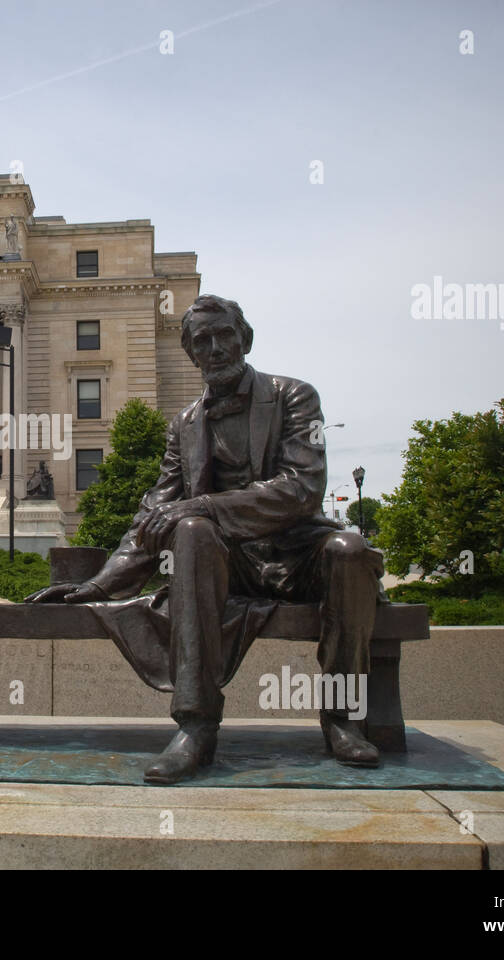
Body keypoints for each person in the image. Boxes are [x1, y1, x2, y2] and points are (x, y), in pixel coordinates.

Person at [27, 294, 385, 783]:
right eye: (202, 341)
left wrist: (203, 504)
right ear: (190, 353)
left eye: (224, 336)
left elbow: (302, 489)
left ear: (245, 339)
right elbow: (154, 511)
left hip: (298, 553)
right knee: (191, 532)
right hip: (224, 564)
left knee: (351, 551)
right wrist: (99, 584)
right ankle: (196, 725)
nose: (215, 349)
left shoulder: (295, 397)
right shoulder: (185, 425)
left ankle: (343, 719)